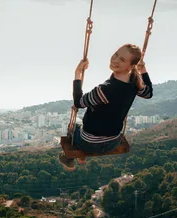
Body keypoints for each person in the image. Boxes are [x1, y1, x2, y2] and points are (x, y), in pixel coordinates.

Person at [59, 43, 153, 171]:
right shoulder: (134, 84)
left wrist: (78, 73)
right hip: (112, 143)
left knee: (73, 126)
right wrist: (143, 70)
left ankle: (71, 158)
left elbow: (78, 103)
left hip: (88, 143)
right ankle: (82, 155)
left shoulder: (105, 90)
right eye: (116, 55)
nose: (115, 60)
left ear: (130, 66)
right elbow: (149, 93)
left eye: (122, 60)